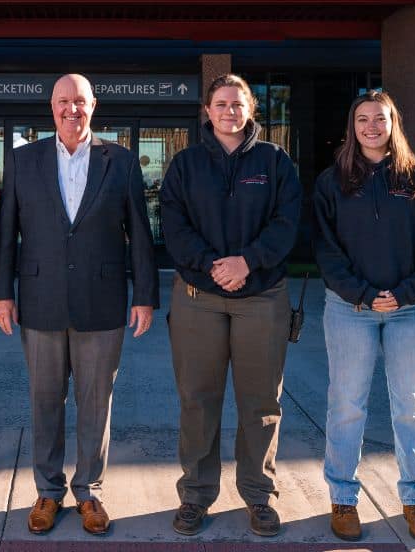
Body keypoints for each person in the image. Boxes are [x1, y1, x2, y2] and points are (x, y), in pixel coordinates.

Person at [0, 73, 159, 536]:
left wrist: (144, 295)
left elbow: (140, 234)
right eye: (63, 101)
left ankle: (88, 491)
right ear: (51, 107)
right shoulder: (24, 160)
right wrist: (1, 292)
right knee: (44, 401)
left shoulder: (120, 161)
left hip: (102, 303)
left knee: (95, 402)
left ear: (93, 105)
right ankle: (48, 490)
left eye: (80, 101)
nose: (72, 109)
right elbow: (5, 233)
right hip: (40, 301)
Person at [159, 73, 302, 538]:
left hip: (261, 297)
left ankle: (259, 496)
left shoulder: (275, 162)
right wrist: (211, 265)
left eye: (237, 104)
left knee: (261, 403)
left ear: (250, 111)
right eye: (220, 103)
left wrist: (248, 262)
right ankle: (196, 496)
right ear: (207, 110)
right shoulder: (185, 164)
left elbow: (287, 223)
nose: (228, 111)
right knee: (197, 400)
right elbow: (174, 225)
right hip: (198, 298)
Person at [312, 89, 415, 543]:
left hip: (413, 311)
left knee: (411, 407)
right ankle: (343, 498)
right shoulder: (333, 182)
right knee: (347, 405)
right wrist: (366, 294)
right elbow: (326, 251)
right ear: (352, 126)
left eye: (380, 118)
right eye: (363, 119)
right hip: (351, 310)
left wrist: (405, 294)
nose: (371, 126)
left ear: (394, 123)